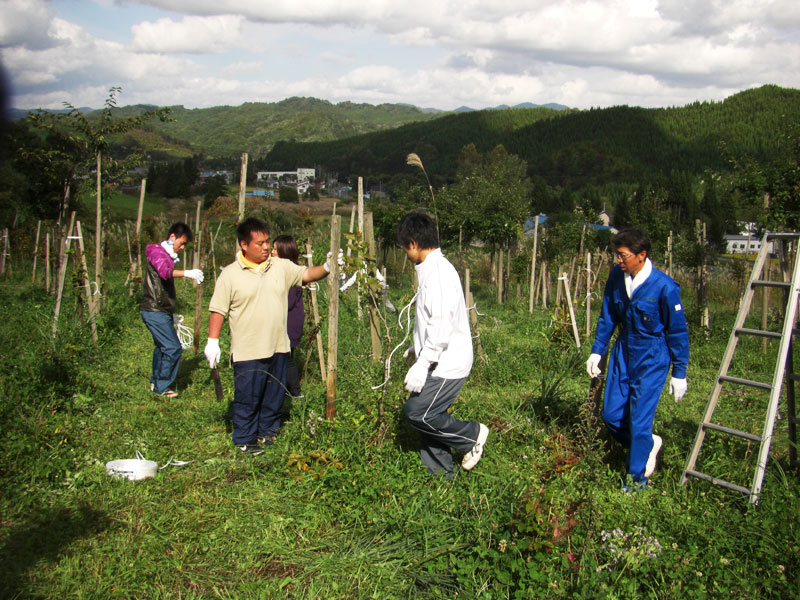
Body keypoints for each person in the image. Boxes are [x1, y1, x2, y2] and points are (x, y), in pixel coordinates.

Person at [203, 218, 331, 456]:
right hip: (248, 349)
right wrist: (213, 341)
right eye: (259, 243)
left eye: (266, 242)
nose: (265, 247)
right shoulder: (230, 275)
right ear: (244, 244)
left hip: (278, 346)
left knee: (273, 394)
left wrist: (327, 267)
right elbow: (218, 309)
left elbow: (306, 274)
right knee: (248, 396)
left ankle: (267, 432)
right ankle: (245, 438)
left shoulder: (280, 267)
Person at [586, 228, 689, 489]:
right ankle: (647, 445)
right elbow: (607, 314)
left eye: (623, 256)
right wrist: (598, 350)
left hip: (652, 356)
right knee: (610, 414)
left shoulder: (664, 287)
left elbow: (677, 331)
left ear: (641, 256)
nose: (618, 261)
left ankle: (635, 481)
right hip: (624, 351)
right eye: (617, 255)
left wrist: (679, 372)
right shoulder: (616, 277)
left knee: (640, 420)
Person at [397, 211, 489, 477]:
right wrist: (418, 349)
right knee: (430, 415)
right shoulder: (430, 269)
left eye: (404, 246)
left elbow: (441, 323)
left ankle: (472, 436)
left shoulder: (438, 272)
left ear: (413, 243)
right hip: (437, 356)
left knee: (418, 413)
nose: (404, 252)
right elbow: (431, 319)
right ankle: (440, 477)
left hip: (448, 362)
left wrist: (423, 362)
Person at [141, 223, 204, 398]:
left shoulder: (165, 254)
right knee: (173, 347)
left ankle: (156, 382)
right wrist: (187, 273)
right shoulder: (157, 252)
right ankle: (162, 386)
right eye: (181, 243)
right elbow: (164, 272)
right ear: (172, 237)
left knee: (161, 347)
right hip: (154, 309)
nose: (182, 248)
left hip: (161, 309)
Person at [271, 235, 305, 398]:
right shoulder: (282, 270)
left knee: (286, 357)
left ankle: (295, 392)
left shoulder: (291, 272)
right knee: (283, 357)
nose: (271, 252)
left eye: (275, 249)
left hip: (289, 322)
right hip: (287, 321)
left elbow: (288, 300)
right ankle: (284, 389)